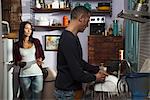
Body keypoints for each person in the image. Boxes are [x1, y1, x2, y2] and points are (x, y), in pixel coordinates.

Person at [55, 6, 108, 100]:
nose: (87, 25)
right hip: (67, 92)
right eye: (87, 21)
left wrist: (97, 69)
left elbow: (79, 62)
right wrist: (95, 77)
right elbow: (77, 74)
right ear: (81, 19)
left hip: (71, 90)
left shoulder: (73, 37)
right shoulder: (68, 39)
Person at [13, 21, 45, 100]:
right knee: (27, 98)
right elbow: (16, 60)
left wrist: (39, 59)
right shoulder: (17, 45)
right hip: (24, 75)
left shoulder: (36, 42)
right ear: (22, 30)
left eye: (30, 29)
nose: (29, 31)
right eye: (26, 28)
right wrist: (19, 63)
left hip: (37, 74)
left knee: (37, 98)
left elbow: (41, 55)